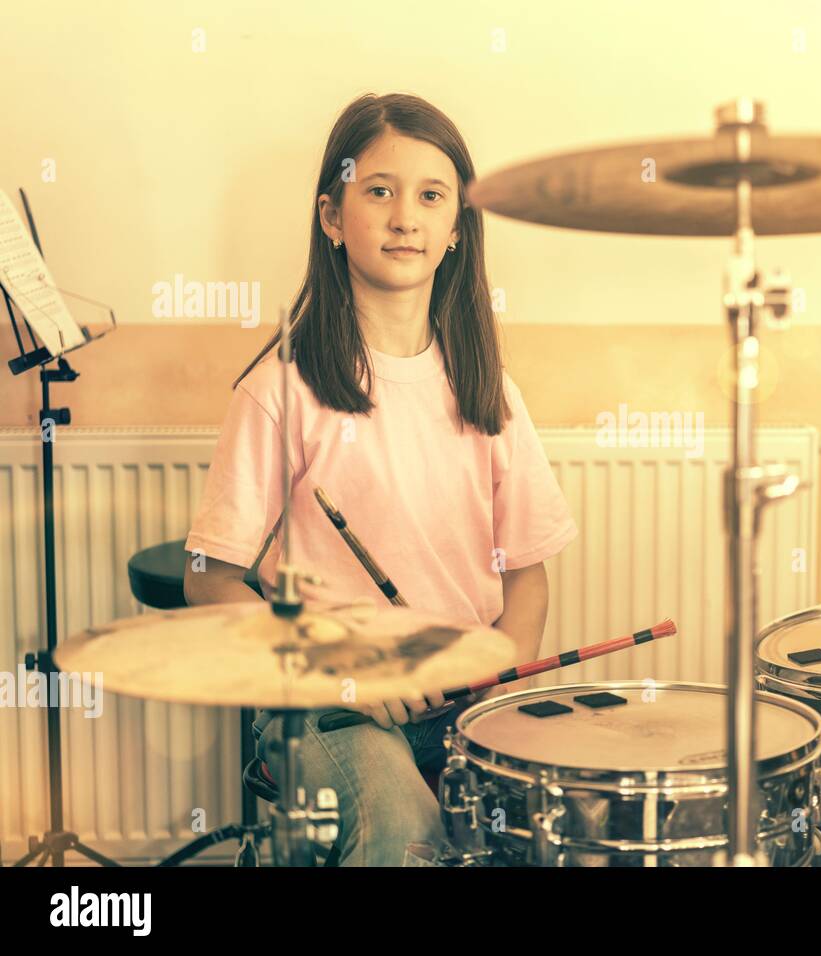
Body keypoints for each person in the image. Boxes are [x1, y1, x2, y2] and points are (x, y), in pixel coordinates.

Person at [183, 92, 578, 865]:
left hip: (464, 700)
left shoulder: (491, 391)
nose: (406, 217)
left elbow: (527, 581)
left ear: (457, 229)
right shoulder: (281, 391)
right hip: (328, 706)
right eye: (379, 191)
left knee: (562, 816)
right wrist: (347, 668)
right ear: (332, 216)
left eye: (432, 196)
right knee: (403, 828)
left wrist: (500, 666)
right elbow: (208, 581)